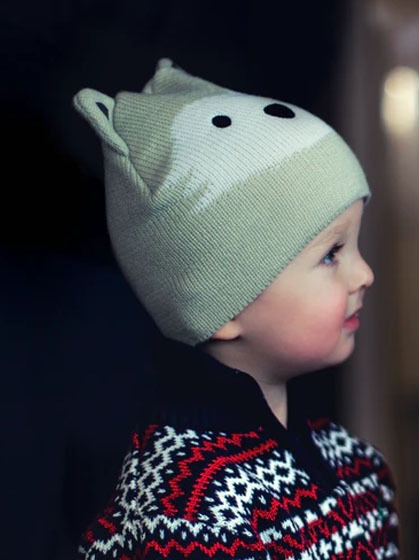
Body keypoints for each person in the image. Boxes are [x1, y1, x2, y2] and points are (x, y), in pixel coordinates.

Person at [73, 58, 399, 559]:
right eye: (332, 254)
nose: (364, 274)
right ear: (220, 305)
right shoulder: (185, 515)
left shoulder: (357, 466)